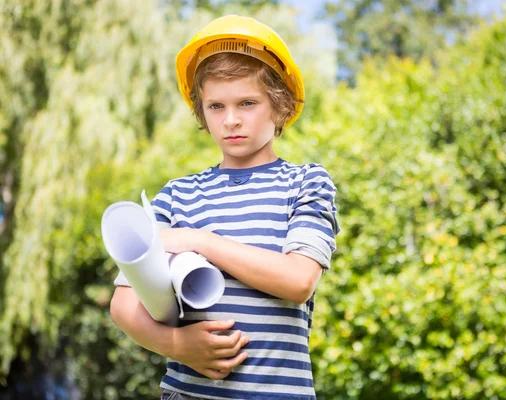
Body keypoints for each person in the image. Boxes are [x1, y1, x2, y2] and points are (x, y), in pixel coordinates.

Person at [109, 14, 340, 400]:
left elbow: (299, 281)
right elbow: (124, 304)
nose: (231, 120)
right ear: (202, 111)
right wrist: (177, 345)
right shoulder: (176, 195)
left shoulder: (306, 183)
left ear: (280, 106)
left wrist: (201, 241)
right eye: (216, 106)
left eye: (247, 102)